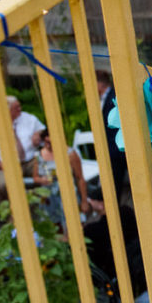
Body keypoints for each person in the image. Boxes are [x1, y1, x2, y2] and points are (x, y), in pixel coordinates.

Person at [0, 96, 45, 203]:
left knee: (49, 176)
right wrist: (6, 167)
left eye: (19, 105)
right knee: (3, 185)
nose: (20, 109)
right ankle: (12, 212)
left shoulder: (29, 119)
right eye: (16, 107)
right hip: (5, 165)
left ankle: (47, 207)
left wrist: (39, 135)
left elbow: (45, 133)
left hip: (31, 160)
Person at [30, 129, 90, 224]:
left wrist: (84, 201)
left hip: (67, 194)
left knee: (72, 224)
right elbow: (35, 177)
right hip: (48, 197)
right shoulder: (39, 155)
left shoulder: (70, 154)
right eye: (45, 142)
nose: (47, 145)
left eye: (50, 142)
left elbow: (80, 178)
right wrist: (42, 180)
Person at [97, 71, 128, 205]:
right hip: (113, 148)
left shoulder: (114, 97)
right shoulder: (104, 98)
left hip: (118, 148)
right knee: (115, 182)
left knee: (117, 181)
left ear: (99, 84)